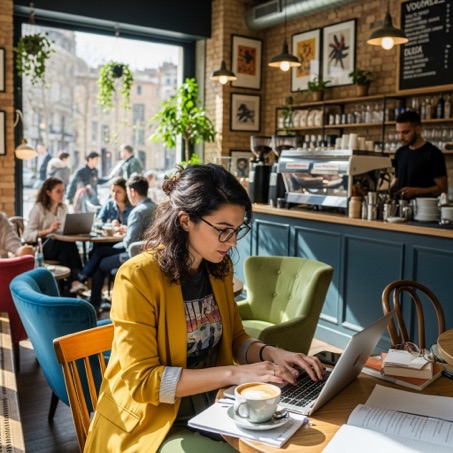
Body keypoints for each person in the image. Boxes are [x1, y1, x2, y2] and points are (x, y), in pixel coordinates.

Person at [84, 164, 324, 452]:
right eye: (223, 230)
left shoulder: (218, 269)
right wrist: (236, 374)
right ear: (185, 220)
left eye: (237, 230)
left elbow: (235, 339)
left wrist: (274, 353)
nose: (233, 241)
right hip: (155, 420)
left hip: (215, 405)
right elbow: (144, 383)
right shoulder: (137, 277)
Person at [87, 175, 156, 313]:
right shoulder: (156, 207)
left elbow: (129, 242)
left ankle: (95, 303)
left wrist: (126, 232)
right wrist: (128, 229)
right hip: (150, 253)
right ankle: (95, 300)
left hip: (133, 255)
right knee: (99, 252)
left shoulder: (137, 212)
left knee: (100, 264)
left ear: (132, 192)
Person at [23, 177, 88, 294]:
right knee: (65, 245)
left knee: (66, 247)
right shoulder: (39, 209)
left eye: (63, 191)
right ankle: (76, 279)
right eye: (58, 191)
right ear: (48, 192)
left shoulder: (63, 208)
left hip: (61, 246)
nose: (62, 194)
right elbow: (27, 235)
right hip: (43, 246)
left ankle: (69, 286)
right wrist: (48, 230)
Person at [78, 177, 133, 283]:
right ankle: (94, 297)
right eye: (112, 191)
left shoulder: (132, 208)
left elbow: (134, 229)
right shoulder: (109, 204)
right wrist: (110, 225)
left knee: (98, 252)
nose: (114, 195)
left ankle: (83, 277)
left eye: (118, 192)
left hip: (124, 244)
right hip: (109, 243)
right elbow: (98, 222)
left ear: (126, 192)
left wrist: (124, 228)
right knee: (97, 253)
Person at [391, 111, 448, 199]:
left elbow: (442, 189)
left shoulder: (433, 154)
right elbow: (397, 181)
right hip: (400, 208)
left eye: (405, 132)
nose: (400, 137)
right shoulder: (399, 152)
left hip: (424, 210)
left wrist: (416, 191)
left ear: (418, 129)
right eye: (398, 133)